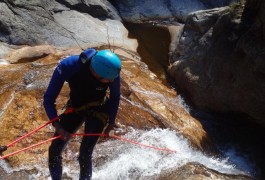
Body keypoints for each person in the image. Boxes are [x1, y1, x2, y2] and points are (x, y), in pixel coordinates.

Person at [43, 48, 121, 180]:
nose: (111, 82)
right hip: (76, 107)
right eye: (108, 80)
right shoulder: (68, 66)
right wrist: (58, 126)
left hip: (99, 108)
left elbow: (115, 96)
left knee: (85, 153)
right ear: (97, 74)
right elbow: (48, 100)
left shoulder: (111, 72)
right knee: (54, 150)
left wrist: (111, 123)